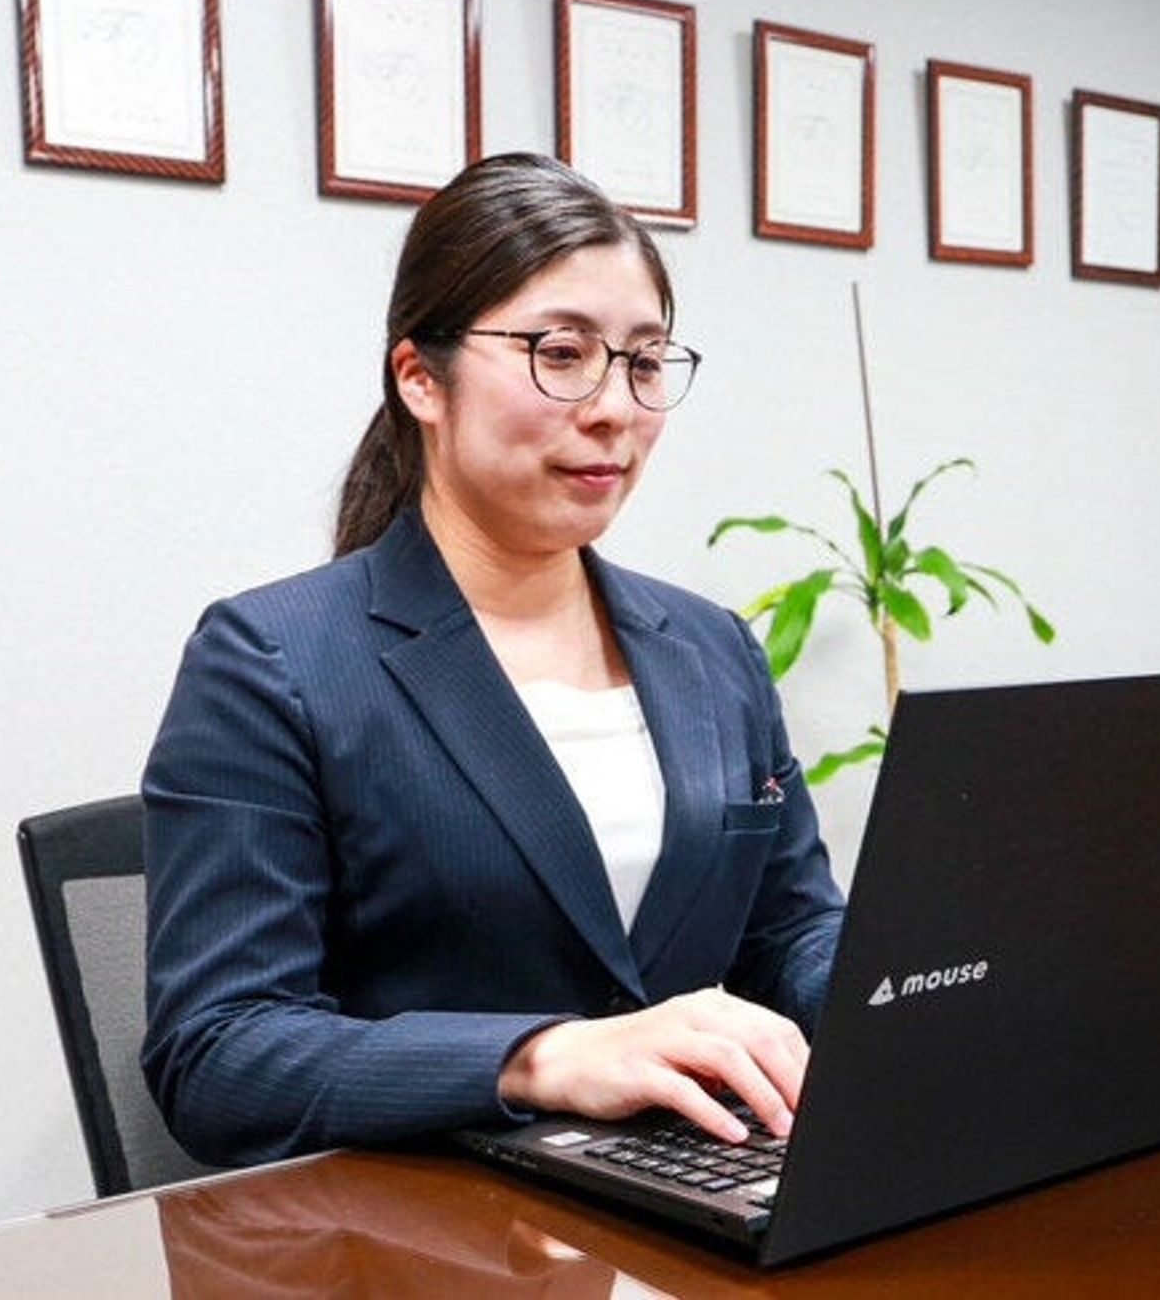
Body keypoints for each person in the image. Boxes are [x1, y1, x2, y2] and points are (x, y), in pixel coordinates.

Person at [140, 152, 845, 1169]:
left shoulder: (711, 649)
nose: (614, 408)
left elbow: (789, 936)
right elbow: (219, 1054)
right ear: (420, 378)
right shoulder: (276, 660)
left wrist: (908, 995)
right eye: (562, 353)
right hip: (434, 1230)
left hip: (696, 1193)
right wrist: (537, 1056)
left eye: (644, 361)